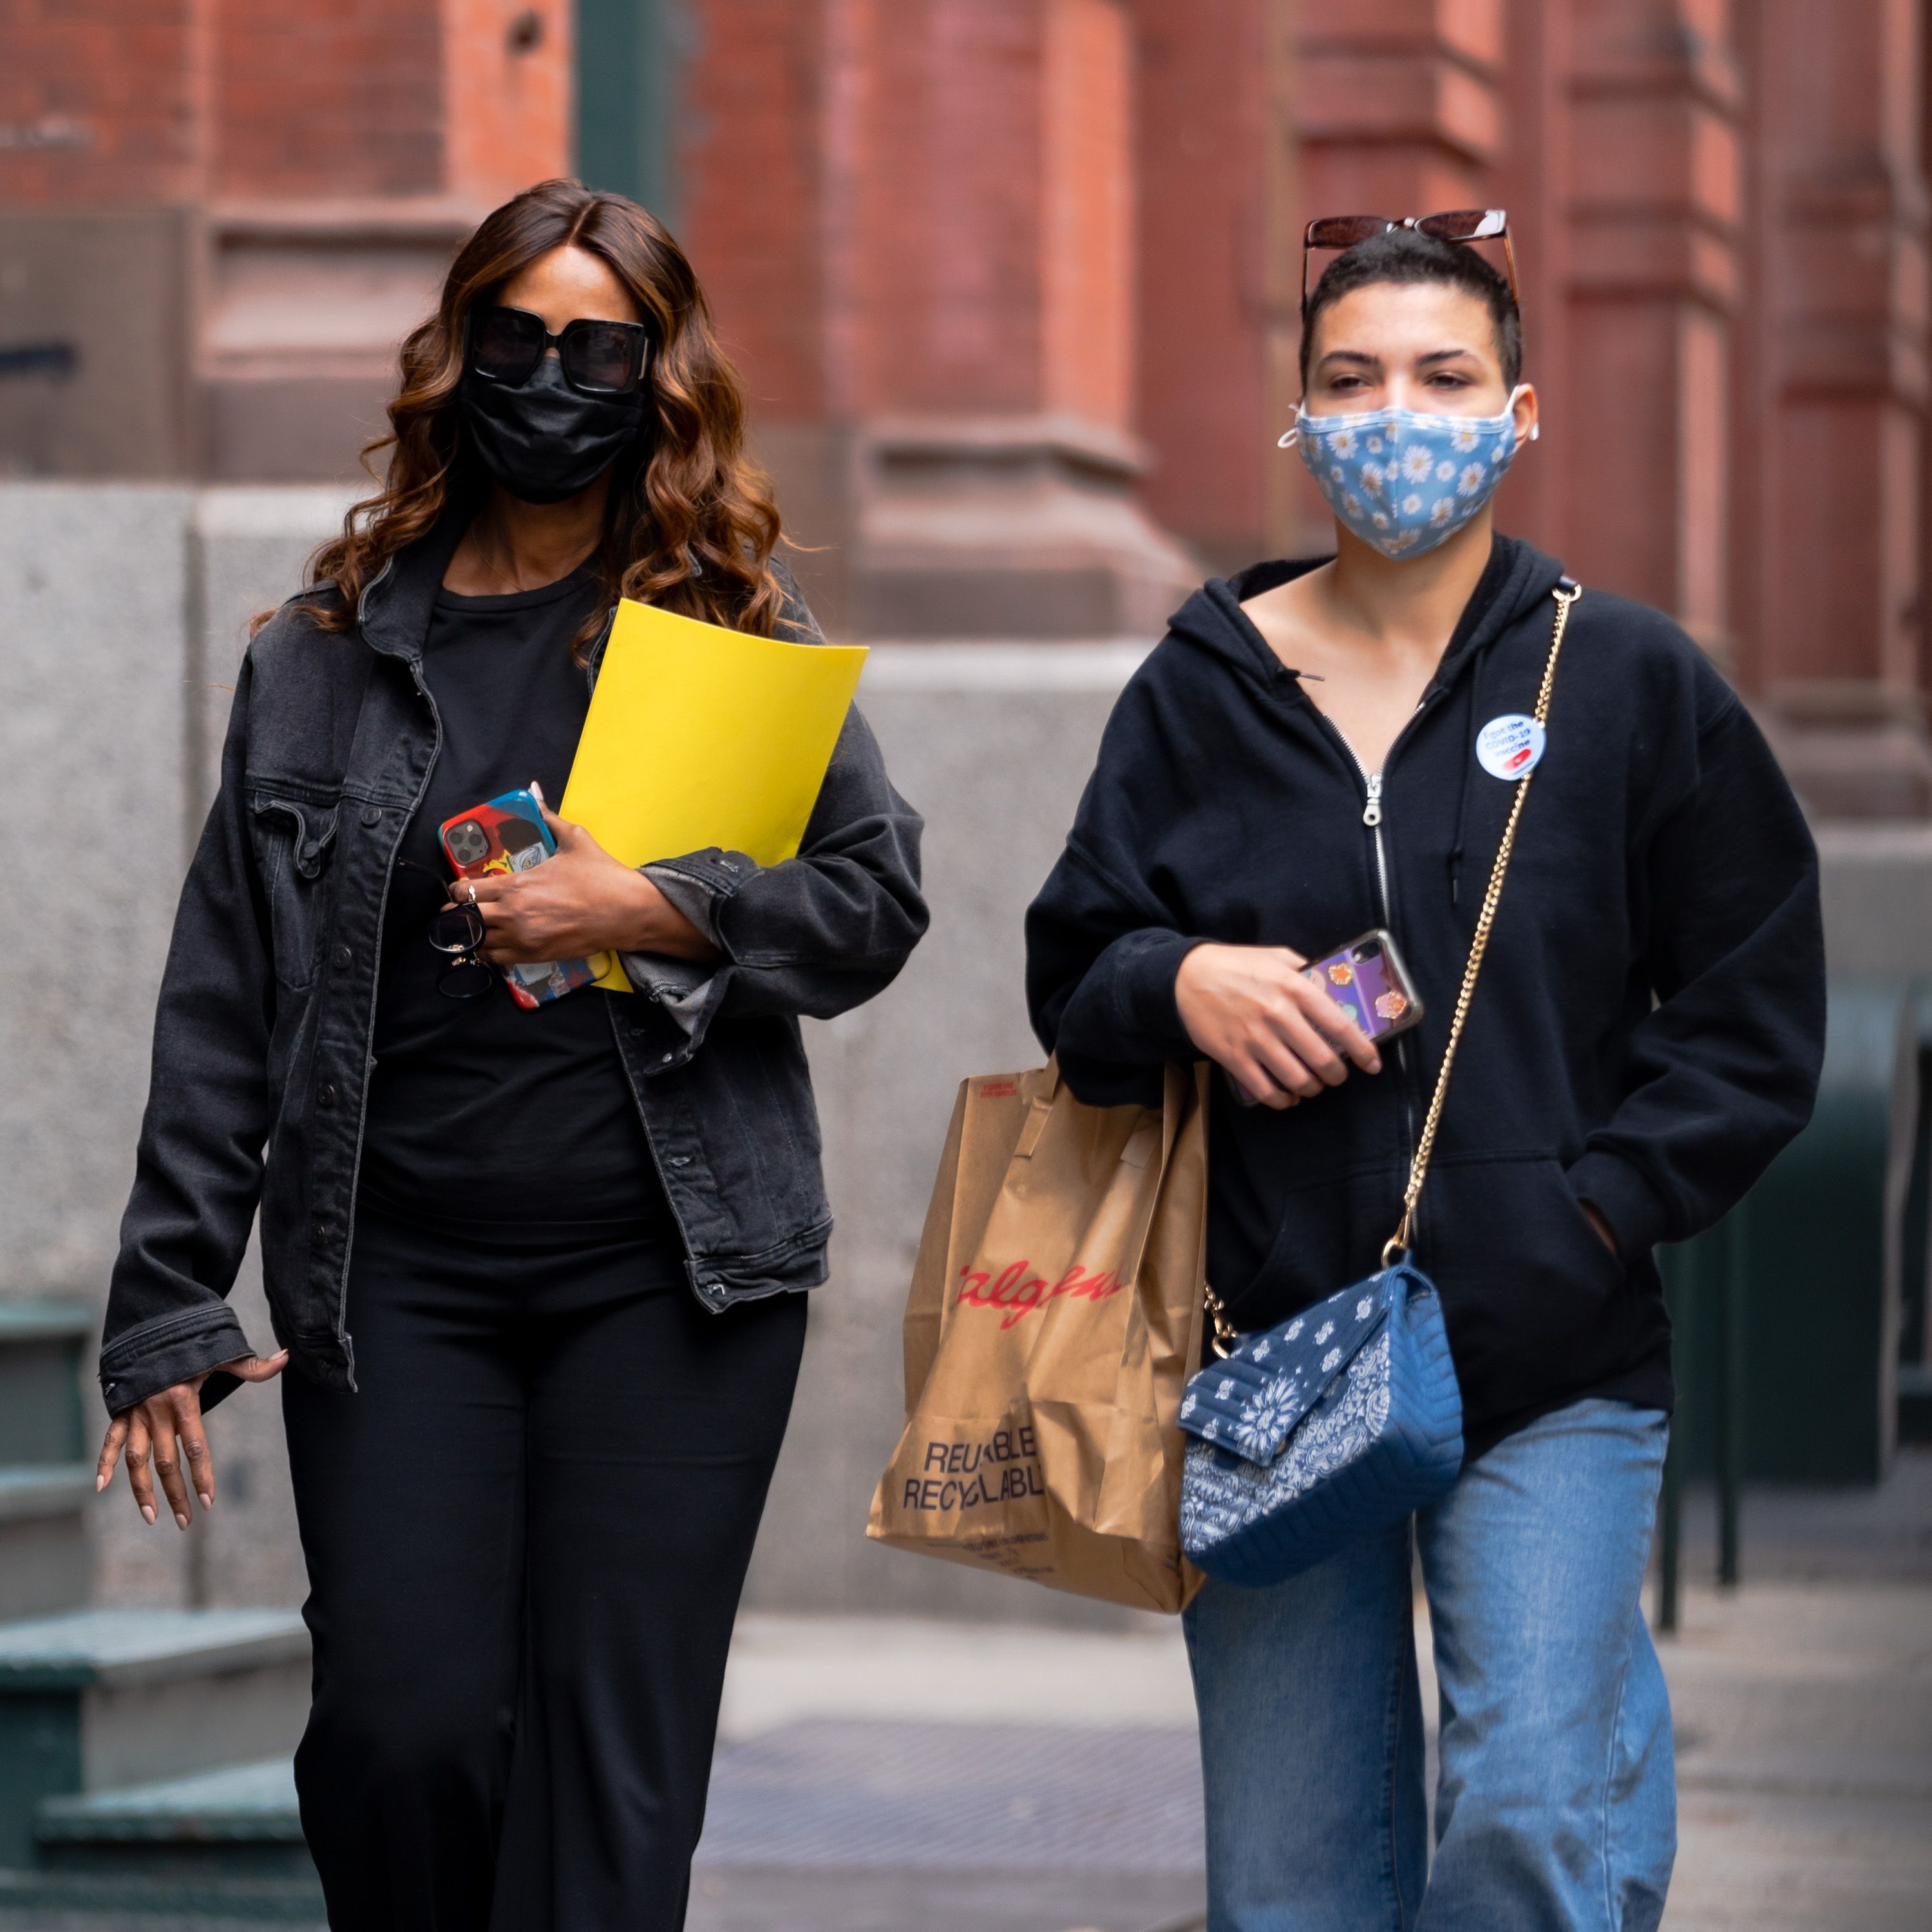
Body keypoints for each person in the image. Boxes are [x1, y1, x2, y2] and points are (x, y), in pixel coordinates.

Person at [93, 178, 927, 1930]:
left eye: (596, 351)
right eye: (516, 340)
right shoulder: (323, 660)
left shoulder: (723, 637)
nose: (551, 381)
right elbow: (223, 997)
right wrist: (169, 1301)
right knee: (403, 1738)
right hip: (397, 1275)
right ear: (456, 356)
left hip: (674, 1281)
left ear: (657, 383)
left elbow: (871, 902)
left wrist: (655, 908)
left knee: (606, 1781)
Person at [1025, 218, 1824, 1927]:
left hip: (1551, 1351)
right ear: (1302, 419)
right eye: (1353, 380)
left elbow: (1753, 1010)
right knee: (1295, 1888)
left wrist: (1595, 1217)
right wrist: (1184, 982)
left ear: (1520, 411)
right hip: (1275, 1351)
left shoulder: (1622, 680)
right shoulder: (1199, 690)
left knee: (1535, 1813)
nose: (1399, 415)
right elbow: (1072, 973)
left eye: (1445, 378)